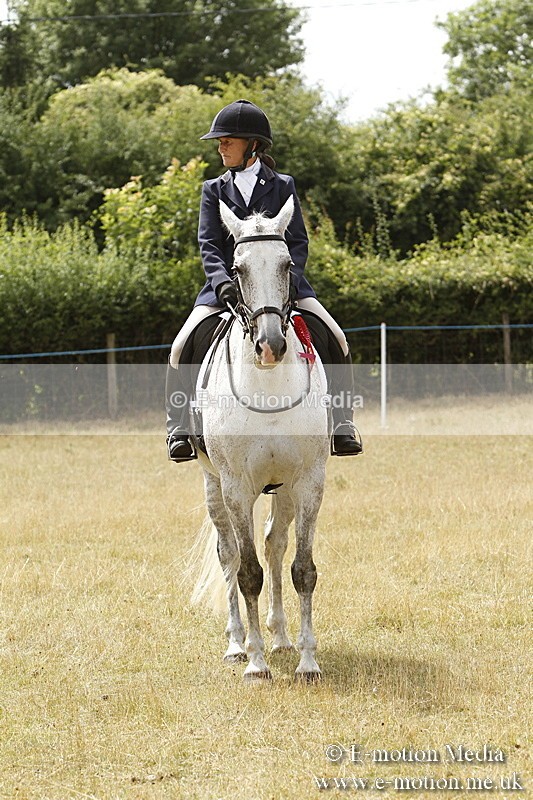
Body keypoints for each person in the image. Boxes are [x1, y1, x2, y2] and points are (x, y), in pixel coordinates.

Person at [166, 99, 362, 461]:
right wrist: (222, 282)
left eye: (228, 140)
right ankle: (179, 428)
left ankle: (342, 424)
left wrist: (288, 283)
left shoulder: (283, 185)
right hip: (225, 289)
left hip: (282, 289)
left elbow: (298, 243)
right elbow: (208, 244)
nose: (220, 146)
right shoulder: (213, 189)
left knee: (337, 338)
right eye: (220, 141)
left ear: (252, 145)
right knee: (180, 346)